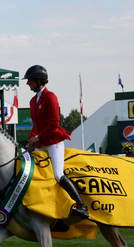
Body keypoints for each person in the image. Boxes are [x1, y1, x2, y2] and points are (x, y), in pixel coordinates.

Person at [24, 65, 88, 219]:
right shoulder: (33, 101)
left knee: (58, 174)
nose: (28, 84)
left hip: (54, 142)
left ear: (39, 81)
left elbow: (54, 123)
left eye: (30, 81)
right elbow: (36, 126)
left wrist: (37, 138)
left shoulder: (50, 96)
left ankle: (81, 206)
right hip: (41, 143)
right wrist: (30, 141)